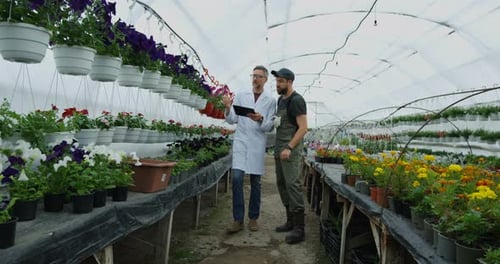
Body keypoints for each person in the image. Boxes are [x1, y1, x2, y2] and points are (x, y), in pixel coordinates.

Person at [223, 65, 276, 233]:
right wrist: (227, 107)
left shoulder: (270, 100)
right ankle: (237, 219)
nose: (255, 79)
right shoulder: (241, 95)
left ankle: (253, 218)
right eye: (253, 75)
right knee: (237, 179)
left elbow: (269, 127)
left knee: (256, 182)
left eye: (259, 76)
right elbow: (232, 120)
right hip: (241, 141)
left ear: (265, 80)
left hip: (256, 144)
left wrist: (261, 119)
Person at [271, 68, 308, 244]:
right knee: (281, 184)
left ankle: (300, 229)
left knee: (292, 185)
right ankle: (290, 221)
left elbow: (303, 128)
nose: (277, 84)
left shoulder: (296, 100)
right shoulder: (281, 100)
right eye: (277, 81)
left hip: (290, 151)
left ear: (290, 82)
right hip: (279, 148)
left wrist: (289, 147)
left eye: (280, 81)